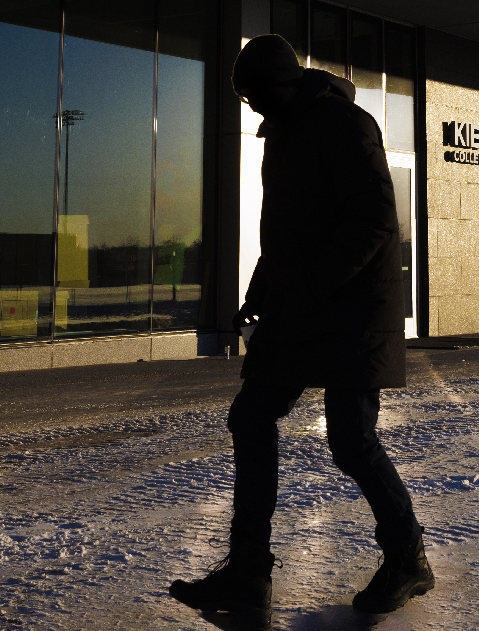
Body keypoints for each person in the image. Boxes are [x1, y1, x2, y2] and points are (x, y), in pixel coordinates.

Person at [169, 34, 433, 623]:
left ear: (280, 82)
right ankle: (246, 574)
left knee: (351, 439)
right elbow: (282, 232)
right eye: (245, 100)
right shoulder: (283, 133)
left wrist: (311, 286)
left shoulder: (347, 125)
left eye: (255, 95)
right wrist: (259, 295)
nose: (252, 109)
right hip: (302, 308)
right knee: (252, 415)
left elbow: (373, 223)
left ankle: (408, 559)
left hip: (353, 310)